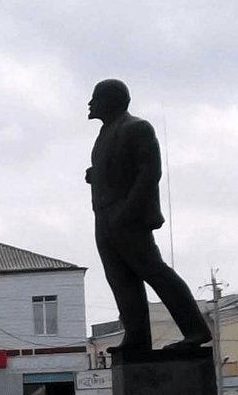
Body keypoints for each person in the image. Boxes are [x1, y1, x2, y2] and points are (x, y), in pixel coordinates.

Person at [85, 77, 211, 352]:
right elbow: (120, 169)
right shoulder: (105, 133)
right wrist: (95, 175)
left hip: (127, 217)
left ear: (113, 100)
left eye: (96, 97)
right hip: (104, 218)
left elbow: (149, 172)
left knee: (155, 272)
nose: (90, 103)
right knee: (120, 279)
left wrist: (128, 211)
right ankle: (137, 337)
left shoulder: (137, 128)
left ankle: (196, 330)